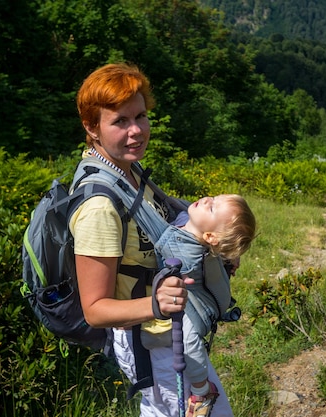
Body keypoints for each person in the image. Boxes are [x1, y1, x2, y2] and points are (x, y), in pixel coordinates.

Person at [69, 62, 236, 417]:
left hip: (167, 337)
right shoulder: (99, 206)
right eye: (120, 121)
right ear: (91, 127)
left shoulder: (127, 172)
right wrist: (156, 304)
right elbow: (95, 309)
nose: (136, 131)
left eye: (140, 116)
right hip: (152, 343)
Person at [144, 194, 256, 417]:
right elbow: (177, 205)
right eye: (213, 198)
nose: (206, 200)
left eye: (212, 208)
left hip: (192, 305)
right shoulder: (192, 223)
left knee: (188, 341)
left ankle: (201, 389)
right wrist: (228, 255)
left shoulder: (187, 252)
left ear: (210, 237)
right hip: (205, 294)